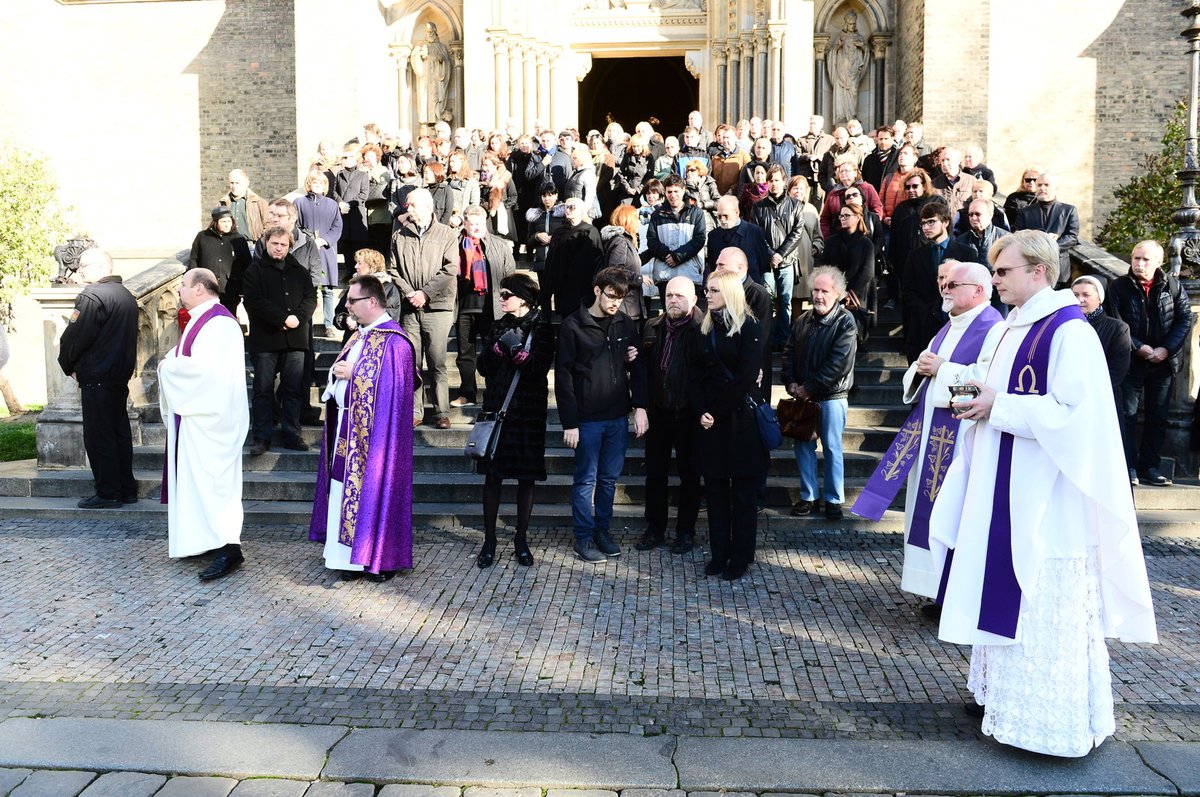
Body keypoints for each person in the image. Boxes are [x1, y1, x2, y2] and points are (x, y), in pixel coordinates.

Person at [929, 229, 1157, 757]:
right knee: (1005, 591)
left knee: (1042, 603)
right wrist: (966, 389)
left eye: (1004, 271)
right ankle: (1002, 702)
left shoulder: (1068, 332)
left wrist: (999, 406)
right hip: (1003, 486)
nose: (996, 280)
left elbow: (1077, 417)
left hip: (1048, 499)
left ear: (1038, 271)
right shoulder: (1011, 326)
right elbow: (990, 381)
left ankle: (1048, 723)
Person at [853, 260, 1003, 602]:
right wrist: (922, 371)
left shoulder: (994, 328)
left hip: (962, 435)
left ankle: (955, 593)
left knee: (954, 513)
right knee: (927, 511)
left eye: (953, 285)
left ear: (978, 291)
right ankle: (934, 590)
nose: (945, 290)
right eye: (945, 284)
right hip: (931, 432)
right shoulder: (948, 326)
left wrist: (942, 370)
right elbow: (923, 375)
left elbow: (987, 386)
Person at [309, 274, 421, 581]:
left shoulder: (396, 342)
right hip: (348, 428)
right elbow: (341, 376)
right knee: (342, 489)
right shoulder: (359, 335)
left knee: (373, 490)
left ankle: (378, 558)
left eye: (352, 301)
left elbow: (392, 391)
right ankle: (348, 559)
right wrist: (338, 375)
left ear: (372, 302)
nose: (347, 306)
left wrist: (354, 374)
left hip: (377, 438)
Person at [158, 268, 250, 581]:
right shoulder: (202, 318)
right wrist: (170, 363)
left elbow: (207, 372)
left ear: (199, 288)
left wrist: (168, 368)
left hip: (214, 420)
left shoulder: (220, 323)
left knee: (215, 485)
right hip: (197, 418)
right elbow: (185, 356)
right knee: (198, 483)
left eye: (183, 285)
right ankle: (205, 541)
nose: (179, 290)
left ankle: (229, 548)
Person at [555, 268, 649, 563]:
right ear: (597, 290)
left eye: (620, 298)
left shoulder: (623, 322)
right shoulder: (573, 325)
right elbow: (563, 378)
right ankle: (583, 537)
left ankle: (601, 531)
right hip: (587, 418)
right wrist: (570, 422)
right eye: (611, 296)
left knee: (608, 479)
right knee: (586, 480)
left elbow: (637, 367)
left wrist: (640, 406)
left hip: (617, 415)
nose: (615, 303)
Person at [474, 273, 554, 568]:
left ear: (523, 298)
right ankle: (490, 541)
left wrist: (523, 356)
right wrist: (496, 352)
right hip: (498, 409)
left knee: (526, 478)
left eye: (507, 294)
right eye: (502, 293)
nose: (502, 297)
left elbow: (541, 367)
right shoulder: (497, 326)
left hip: (528, 413)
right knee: (492, 477)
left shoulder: (542, 329)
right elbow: (482, 367)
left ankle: (521, 539)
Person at [695, 270, 768, 580]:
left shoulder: (750, 327)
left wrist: (715, 410)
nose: (707, 295)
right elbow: (696, 375)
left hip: (741, 421)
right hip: (712, 422)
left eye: (713, 290)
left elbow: (745, 377)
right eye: (706, 290)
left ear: (729, 292)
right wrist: (702, 410)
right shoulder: (705, 328)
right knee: (714, 491)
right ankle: (719, 553)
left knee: (742, 493)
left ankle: (740, 556)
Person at [57, 248, 139, 508]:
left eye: (83, 266)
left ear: (101, 266)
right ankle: (126, 488)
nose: (79, 270)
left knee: (99, 435)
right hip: (118, 376)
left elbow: (75, 335)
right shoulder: (125, 295)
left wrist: (67, 363)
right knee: (118, 433)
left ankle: (108, 492)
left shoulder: (92, 296)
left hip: (98, 376)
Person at [1109, 240, 1193, 486]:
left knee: (1158, 417)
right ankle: (1128, 467)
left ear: (1159, 262)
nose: (1139, 263)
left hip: (1163, 363)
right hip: (1132, 361)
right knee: (1127, 416)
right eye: (1136, 258)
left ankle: (1150, 467)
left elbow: (1184, 319)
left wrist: (1165, 349)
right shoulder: (1118, 286)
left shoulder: (1173, 286)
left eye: (1146, 259)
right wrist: (1139, 347)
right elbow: (1117, 320)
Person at [782, 266, 857, 520]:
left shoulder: (845, 321)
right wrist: (790, 381)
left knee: (832, 447)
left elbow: (839, 363)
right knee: (803, 446)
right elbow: (789, 352)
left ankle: (834, 500)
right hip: (804, 397)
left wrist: (808, 387)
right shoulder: (802, 320)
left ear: (837, 293)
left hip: (832, 397)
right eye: (815, 290)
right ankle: (808, 497)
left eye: (825, 291)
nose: (818, 295)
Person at [637, 276, 704, 554]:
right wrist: (641, 406)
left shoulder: (703, 329)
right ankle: (655, 528)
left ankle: (685, 531)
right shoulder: (652, 327)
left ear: (694, 300)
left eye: (679, 295)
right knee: (655, 475)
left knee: (690, 476)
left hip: (689, 414)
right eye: (669, 296)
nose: (673, 300)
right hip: (659, 412)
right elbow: (642, 370)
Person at [242, 226, 318, 456]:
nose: (279, 248)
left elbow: (310, 299)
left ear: (289, 246)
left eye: (283, 244)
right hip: (266, 339)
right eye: (275, 243)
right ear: (266, 243)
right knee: (263, 389)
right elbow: (254, 301)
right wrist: (282, 319)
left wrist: (298, 318)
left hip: (295, 339)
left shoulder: (300, 272)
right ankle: (262, 436)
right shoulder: (254, 271)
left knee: (293, 388)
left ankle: (291, 434)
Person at [390, 187, 458, 429]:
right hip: (410, 308)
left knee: (437, 362)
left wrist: (425, 293)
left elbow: (450, 269)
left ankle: (442, 412)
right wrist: (410, 293)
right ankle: (414, 412)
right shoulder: (400, 233)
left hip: (438, 307)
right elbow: (393, 268)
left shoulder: (447, 234)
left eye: (411, 205)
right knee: (412, 363)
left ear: (427, 207)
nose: (407, 209)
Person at [452, 205, 516, 407]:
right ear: (465, 224)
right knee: (465, 355)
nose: (476, 228)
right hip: (464, 307)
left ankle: (494, 392)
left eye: (480, 224)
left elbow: (510, 275)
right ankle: (467, 393)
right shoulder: (454, 244)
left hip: (491, 308)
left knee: (493, 353)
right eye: (472, 224)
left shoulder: (499, 245)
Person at [294, 171, 344, 332]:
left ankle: (329, 324)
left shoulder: (332, 204)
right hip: (306, 250)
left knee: (327, 290)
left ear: (325, 186)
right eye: (314, 182)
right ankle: (305, 323)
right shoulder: (299, 202)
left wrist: (324, 240)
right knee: (308, 289)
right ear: (309, 184)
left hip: (326, 250)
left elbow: (337, 227)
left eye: (320, 183)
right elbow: (296, 226)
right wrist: (309, 239)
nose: (317, 185)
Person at [644, 175, 707, 301]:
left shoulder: (696, 213)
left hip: (689, 273)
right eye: (669, 192)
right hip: (664, 274)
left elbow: (699, 239)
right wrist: (666, 255)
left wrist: (677, 257)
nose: (673, 195)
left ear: (683, 191)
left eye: (676, 191)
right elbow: (651, 240)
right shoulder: (657, 215)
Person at [1071, 275, 1131, 407]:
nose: (1080, 299)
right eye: (1075, 294)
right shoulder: (1063, 325)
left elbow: (1117, 370)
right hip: (1069, 397)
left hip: (1102, 399)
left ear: (1099, 299)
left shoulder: (1118, 328)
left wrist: (1087, 391)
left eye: (1086, 294)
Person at [1011, 171, 1079, 286]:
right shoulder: (1025, 212)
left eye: (1046, 185)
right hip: (1032, 267)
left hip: (1059, 270)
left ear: (1055, 187)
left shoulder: (1068, 210)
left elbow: (1072, 236)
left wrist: (1051, 245)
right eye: (1039, 185)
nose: (1042, 188)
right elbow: (1017, 235)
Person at [543, 196, 604, 318]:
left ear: (581, 210)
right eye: (566, 207)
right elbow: (551, 261)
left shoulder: (590, 231)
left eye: (572, 207)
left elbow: (598, 262)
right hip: (563, 287)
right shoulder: (559, 233)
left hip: (583, 288)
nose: (568, 210)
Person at [188, 207, 251, 315]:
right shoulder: (202, 237)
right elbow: (194, 259)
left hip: (230, 289)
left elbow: (247, 265)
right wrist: (193, 282)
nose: (227, 224)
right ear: (215, 223)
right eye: (223, 221)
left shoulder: (239, 239)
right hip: (207, 288)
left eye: (229, 221)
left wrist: (244, 288)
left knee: (228, 316)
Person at [332, 249, 403, 344]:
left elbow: (389, 317)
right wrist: (346, 319)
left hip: (377, 344)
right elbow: (339, 312)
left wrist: (357, 321)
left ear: (372, 266)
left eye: (359, 263)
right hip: (352, 343)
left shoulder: (388, 288)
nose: (356, 266)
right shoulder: (354, 287)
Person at [705, 195, 773, 285]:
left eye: (726, 216)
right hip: (724, 288)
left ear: (737, 213)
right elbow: (713, 264)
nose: (722, 220)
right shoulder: (713, 236)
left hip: (750, 287)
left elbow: (763, 262)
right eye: (719, 216)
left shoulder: (754, 232)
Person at [601, 204, 647, 324]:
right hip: (624, 308)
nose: (638, 223)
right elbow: (615, 272)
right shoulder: (621, 242)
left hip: (629, 307)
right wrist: (639, 278)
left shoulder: (626, 241)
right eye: (636, 219)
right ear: (628, 220)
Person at [218, 169, 269, 242]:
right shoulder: (222, 203)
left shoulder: (259, 202)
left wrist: (261, 242)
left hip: (251, 247)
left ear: (246, 183)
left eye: (237, 183)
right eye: (232, 183)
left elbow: (269, 224)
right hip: (228, 245)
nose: (234, 186)